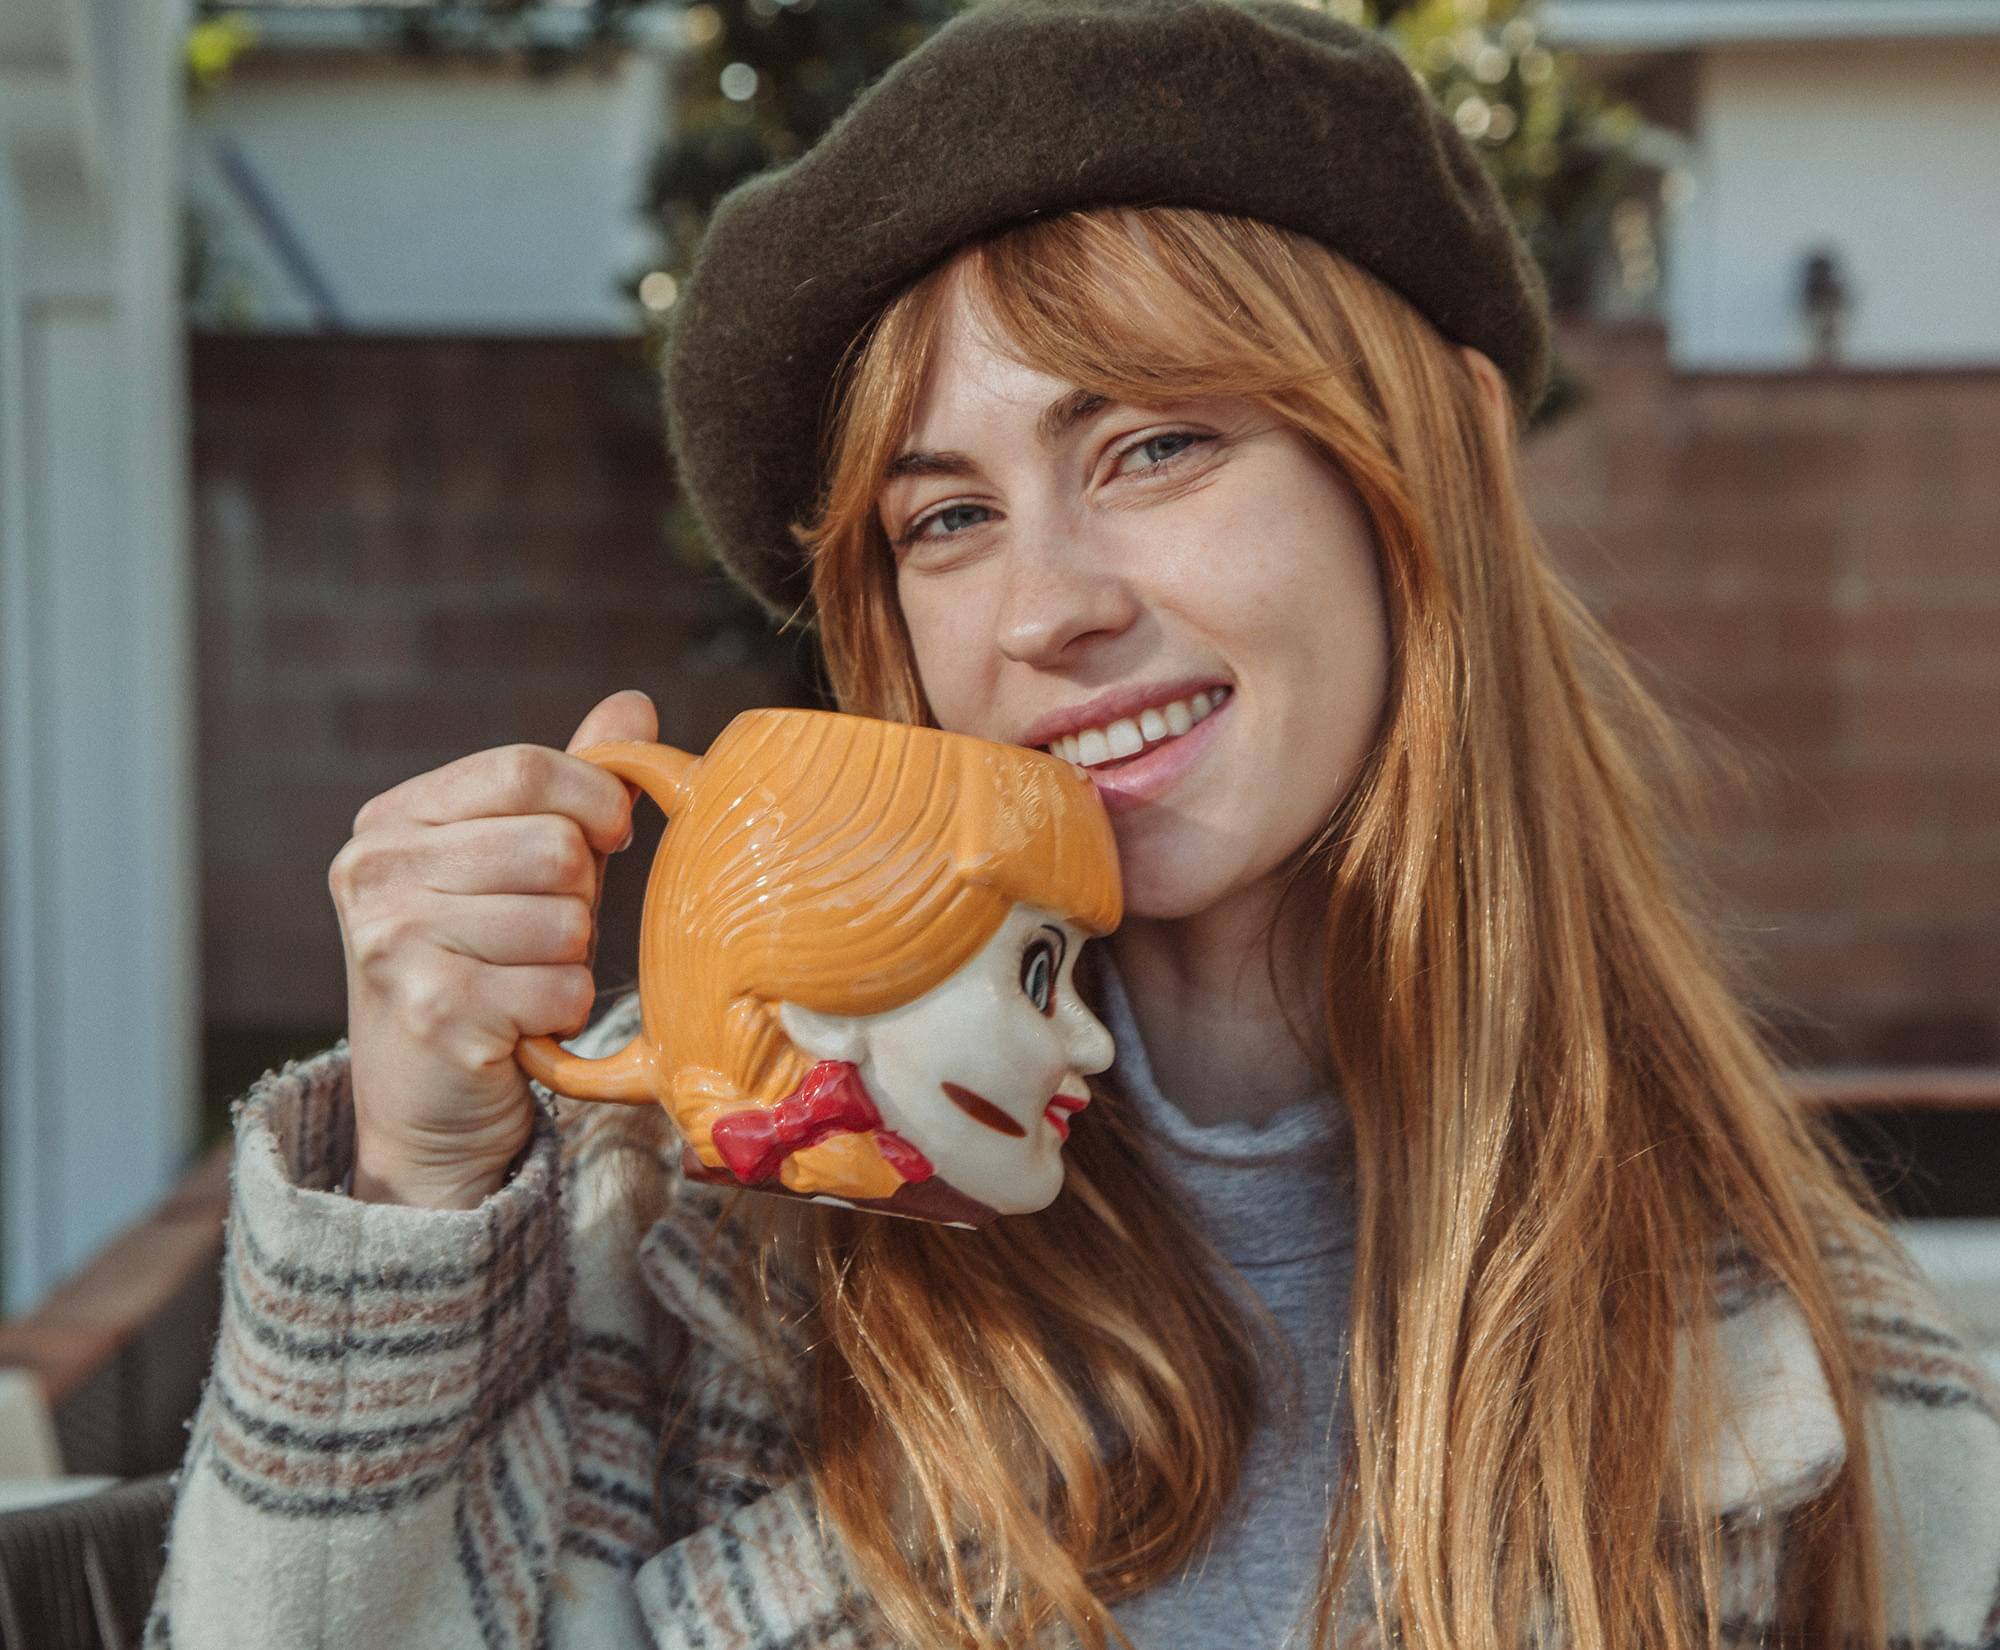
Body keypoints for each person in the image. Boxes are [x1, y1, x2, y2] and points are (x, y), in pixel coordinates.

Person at [145, 2, 2000, 1647]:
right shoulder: (681, 1224)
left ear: (1403, 490)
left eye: (1152, 448)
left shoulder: (1800, 1333)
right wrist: (409, 1187)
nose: (1045, 609)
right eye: (945, 516)